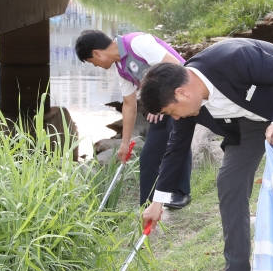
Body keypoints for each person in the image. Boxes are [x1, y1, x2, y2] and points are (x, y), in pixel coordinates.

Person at [139, 39, 273, 271]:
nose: (176, 118)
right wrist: (157, 201)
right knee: (230, 181)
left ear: (182, 93)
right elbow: (176, 149)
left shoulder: (233, 58)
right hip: (248, 118)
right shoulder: (190, 105)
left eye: (172, 112)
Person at [74, 30, 192, 209]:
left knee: (175, 139)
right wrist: (124, 143)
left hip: (184, 94)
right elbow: (129, 105)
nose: (95, 66)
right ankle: (148, 205)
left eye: (92, 62)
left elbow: (177, 68)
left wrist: (162, 98)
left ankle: (181, 194)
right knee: (148, 156)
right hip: (161, 105)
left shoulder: (137, 43)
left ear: (97, 53)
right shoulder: (122, 69)